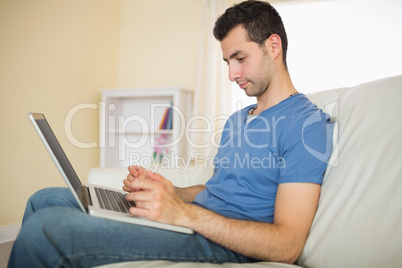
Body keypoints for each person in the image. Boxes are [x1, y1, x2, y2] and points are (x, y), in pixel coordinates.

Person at [8, 1, 333, 267]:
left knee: (44, 232)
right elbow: (219, 187)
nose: (232, 74)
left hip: (223, 245)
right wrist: (170, 191)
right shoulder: (239, 119)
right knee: (45, 199)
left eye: (240, 58)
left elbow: (287, 244)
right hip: (194, 219)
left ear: (273, 46)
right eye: (226, 61)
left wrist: (183, 214)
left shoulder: (306, 125)